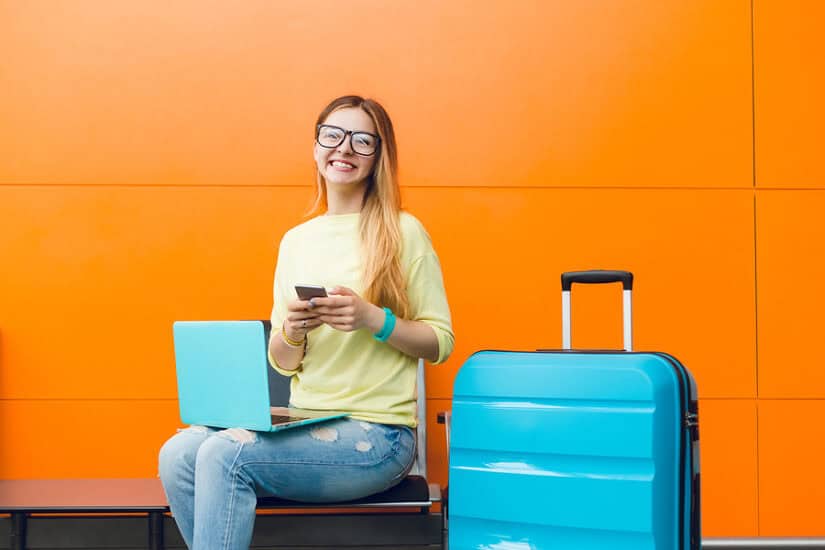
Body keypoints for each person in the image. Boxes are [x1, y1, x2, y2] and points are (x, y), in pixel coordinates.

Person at [158, 95, 454, 550]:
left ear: (379, 156)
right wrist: (293, 332)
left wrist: (372, 318)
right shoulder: (296, 240)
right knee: (177, 454)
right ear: (316, 148)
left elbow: (440, 341)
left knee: (224, 455)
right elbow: (282, 362)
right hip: (305, 421)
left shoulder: (403, 231)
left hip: (380, 437)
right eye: (333, 136)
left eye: (362, 140)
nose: (345, 149)